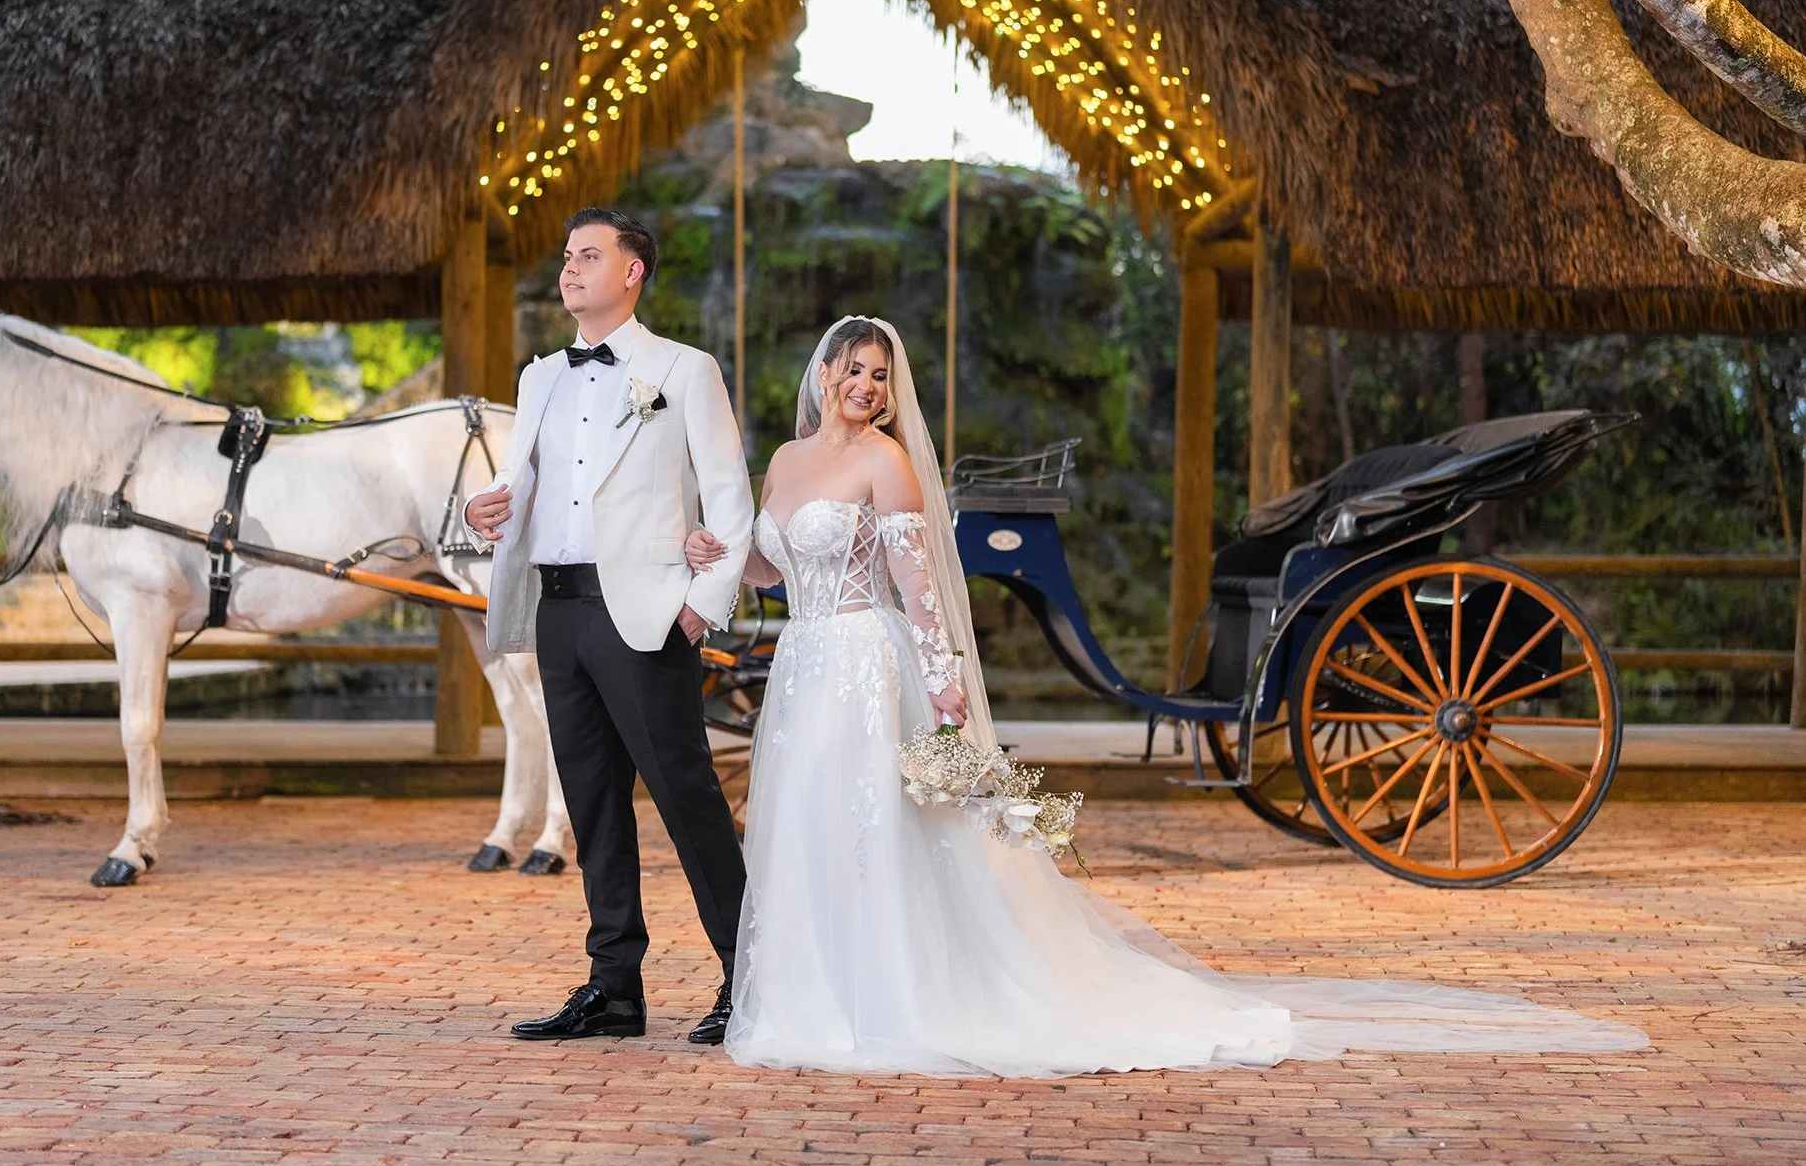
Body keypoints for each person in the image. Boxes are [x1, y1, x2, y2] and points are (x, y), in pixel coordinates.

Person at [680, 315, 1647, 1076]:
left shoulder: (885, 463)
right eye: (850, 369)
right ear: (819, 376)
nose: (863, 385)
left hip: (865, 667)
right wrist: (718, 553)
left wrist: (943, 691)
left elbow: (921, 587)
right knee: (803, 830)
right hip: (807, 669)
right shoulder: (787, 462)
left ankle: (881, 1001)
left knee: (874, 837)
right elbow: (772, 570)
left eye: (879, 374)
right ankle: (804, 999)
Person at [464, 208, 753, 1047]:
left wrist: (702, 603)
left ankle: (749, 977)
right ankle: (613, 989)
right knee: (591, 804)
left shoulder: (683, 369)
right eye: (565, 256)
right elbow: (522, 488)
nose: (569, 268)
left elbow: (729, 498)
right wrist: (487, 507)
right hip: (558, 612)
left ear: (632, 272)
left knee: (687, 799)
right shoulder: (538, 376)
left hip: (647, 615)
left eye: (588, 255)